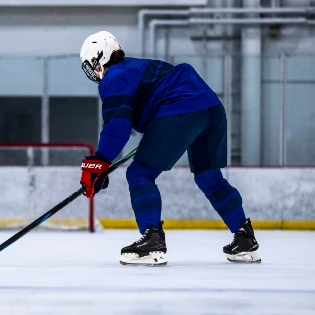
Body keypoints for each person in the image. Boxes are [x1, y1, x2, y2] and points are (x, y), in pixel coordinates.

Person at [78, 31, 260, 266]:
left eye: (91, 65)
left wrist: (100, 161)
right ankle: (245, 239)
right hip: (211, 109)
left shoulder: (114, 76)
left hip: (181, 110)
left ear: (99, 58)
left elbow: (118, 127)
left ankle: (152, 240)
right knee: (209, 177)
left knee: (139, 173)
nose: (93, 72)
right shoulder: (133, 67)